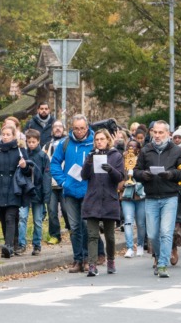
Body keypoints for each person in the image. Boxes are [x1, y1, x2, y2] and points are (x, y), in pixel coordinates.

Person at [50, 114, 105, 273]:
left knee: (87, 225)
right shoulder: (65, 143)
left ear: (87, 127)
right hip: (70, 191)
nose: (79, 131)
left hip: (89, 191)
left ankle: (88, 258)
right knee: (74, 227)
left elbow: (103, 166)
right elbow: (54, 163)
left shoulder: (94, 142)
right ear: (71, 128)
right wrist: (63, 181)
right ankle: (77, 259)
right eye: (76, 128)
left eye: (82, 128)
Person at [134, 120, 181, 278]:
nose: (157, 135)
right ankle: (158, 256)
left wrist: (171, 174)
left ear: (168, 134)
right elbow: (136, 171)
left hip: (169, 197)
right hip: (151, 197)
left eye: (160, 133)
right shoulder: (146, 150)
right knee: (152, 235)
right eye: (155, 132)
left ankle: (163, 264)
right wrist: (143, 175)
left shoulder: (176, 150)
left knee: (166, 232)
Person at [81, 129, 125, 276]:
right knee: (92, 235)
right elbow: (84, 176)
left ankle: (111, 260)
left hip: (109, 200)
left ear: (107, 140)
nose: (99, 142)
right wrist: (89, 161)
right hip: (93, 199)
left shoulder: (116, 156)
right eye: (97, 140)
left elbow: (120, 177)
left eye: (102, 139)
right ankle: (92, 265)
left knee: (110, 236)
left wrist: (110, 170)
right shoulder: (91, 155)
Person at [0, 125, 30, 258]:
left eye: (8, 134)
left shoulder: (20, 150)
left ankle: (8, 246)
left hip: (14, 188)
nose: (5, 137)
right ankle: (13, 244)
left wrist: (24, 166)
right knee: (3, 218)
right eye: (3, 134)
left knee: (10, 217)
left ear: (14, 136)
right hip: (0, 188)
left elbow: (28, 171)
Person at [22, 129, 51, 256]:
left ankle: (37, 244)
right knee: (22, 218)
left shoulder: (43, 156)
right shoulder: (24, 155)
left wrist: (46, 194)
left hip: (38, 192)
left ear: (38, 141)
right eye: (29, 142)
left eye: (33, 142)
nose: (31, 144)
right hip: (25, 191)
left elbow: (47, 176)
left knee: (38, 220)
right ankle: (21, 244)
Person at [43, 120, 69, 244]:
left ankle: (73, 230)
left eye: (60, 126)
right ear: (52, 130)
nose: (58, 129)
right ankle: (55, 235)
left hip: (65, 183)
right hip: (51, 184)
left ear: (64, 129)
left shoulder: (68, 143)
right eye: (55, 127)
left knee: (66, 210)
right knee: (52, 212)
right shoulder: (47, 146)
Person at [120, 139, 146, 258]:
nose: (131, 148)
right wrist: (122, 184)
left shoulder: (142, 160)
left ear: (138, 149)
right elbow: (118, 175)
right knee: (128, 221)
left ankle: (140, 244)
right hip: (126, 195)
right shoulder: (122, 160)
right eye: (129, 146)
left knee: (140, 223)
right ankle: (130, 247)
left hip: (140, 195)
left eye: (134, 146)